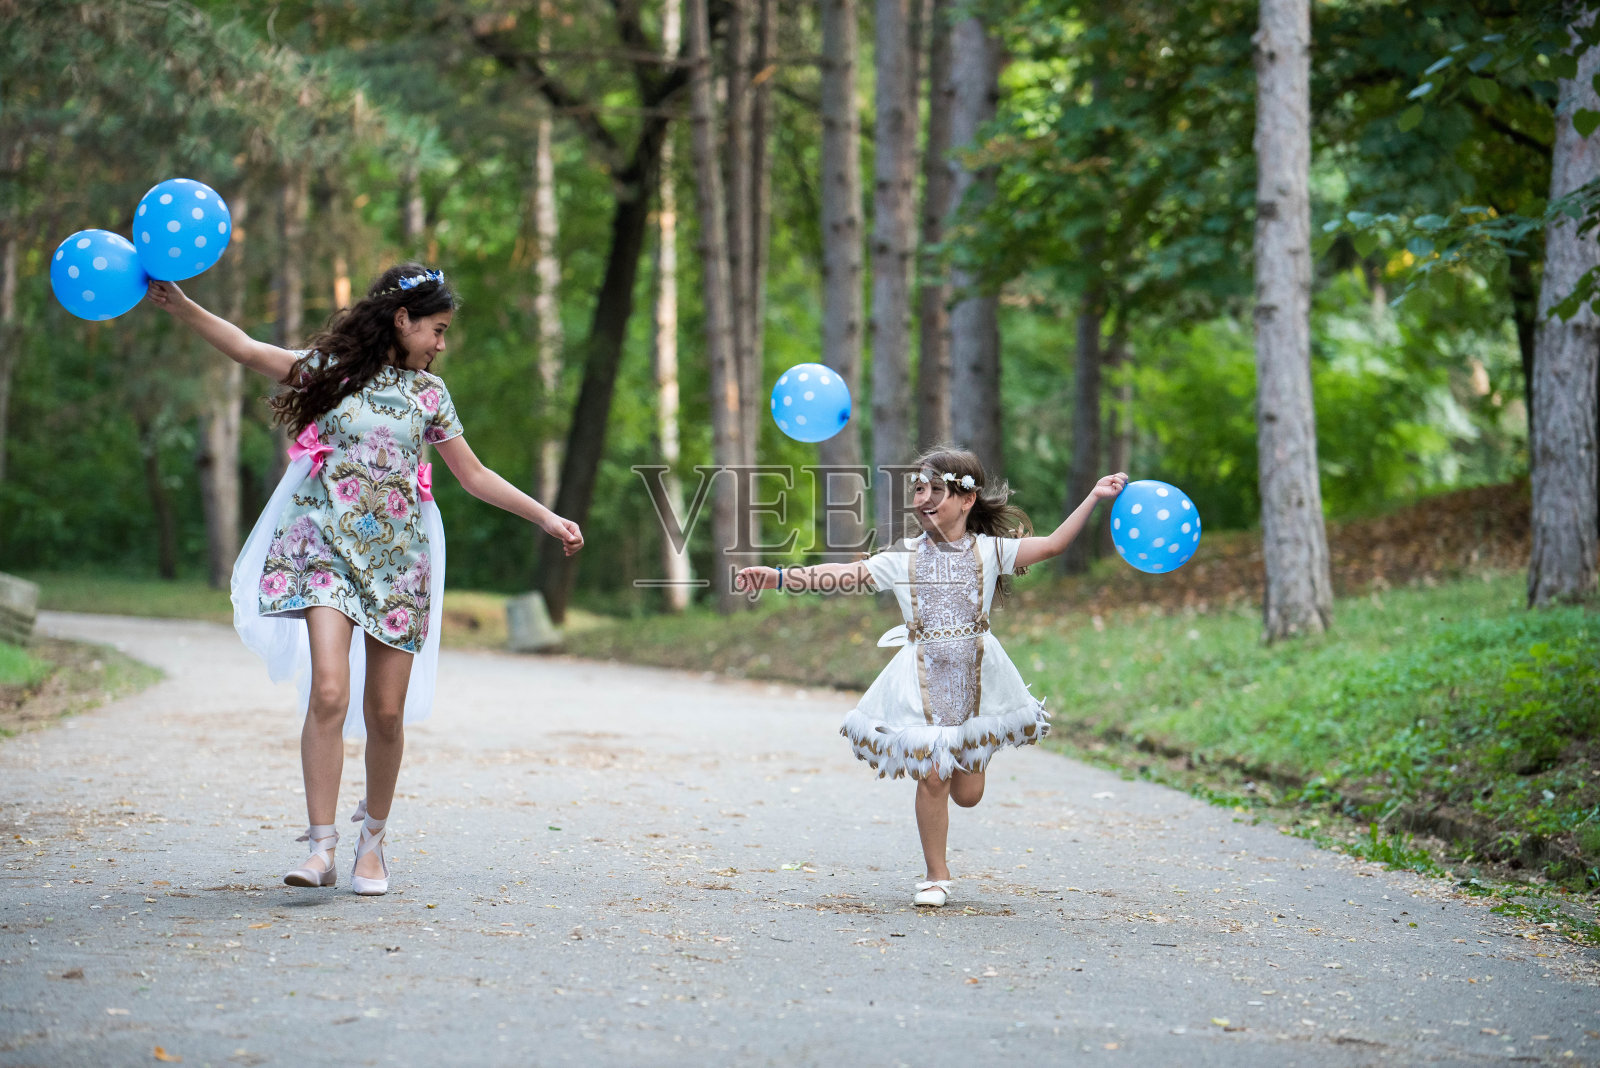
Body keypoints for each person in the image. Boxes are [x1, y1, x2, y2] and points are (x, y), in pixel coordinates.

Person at [146, 264, 583, 895]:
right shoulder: (332, 370)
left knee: (385, 712)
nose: (441, 343)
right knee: (328, 691)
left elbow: (474, 474)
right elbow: (248, 348)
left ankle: (371, 843)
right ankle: (320, 847)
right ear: (402, 320)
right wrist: (184, 308)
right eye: (436, 329)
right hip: (325, 546)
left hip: (399, 563)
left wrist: (546, 517)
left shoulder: (431, 397)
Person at [735, 446, 1125, 907]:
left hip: (978, 681)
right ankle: (935, 876)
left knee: (969, 794)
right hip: (922, 682)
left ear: (966, 500)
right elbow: (843, 574)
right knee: (933, 776)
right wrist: (781, 577)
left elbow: (1055, 544)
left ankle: (972, 758)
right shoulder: (903, 559)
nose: (923, 497)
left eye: (935, 489)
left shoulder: (990, 551)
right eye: (918, 488)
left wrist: (1095, 496)